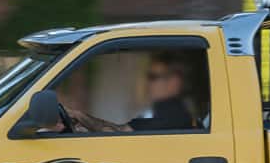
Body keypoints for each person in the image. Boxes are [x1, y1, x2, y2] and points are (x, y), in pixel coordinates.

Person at [61, 51, 201, 133]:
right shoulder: (166, 111)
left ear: (174, 82)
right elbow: (121, 128)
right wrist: (80, 116)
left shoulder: (173, 115)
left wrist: (82, 120)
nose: (148, 83)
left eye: (153, 77)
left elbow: (118, 134)